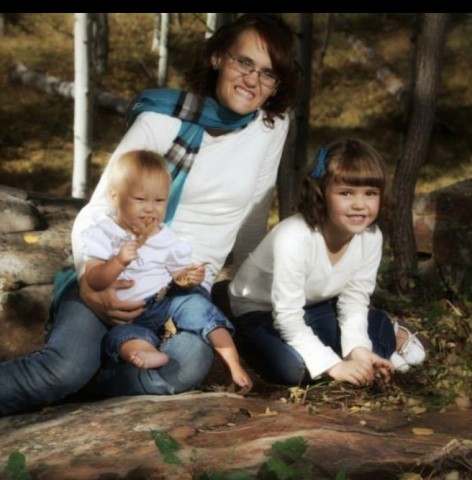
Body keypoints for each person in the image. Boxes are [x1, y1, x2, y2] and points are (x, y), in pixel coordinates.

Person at [0, 13, 298, 416]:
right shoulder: (161, 121)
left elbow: (253, 218)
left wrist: (249, 303)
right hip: (118, 271)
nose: (252, 80)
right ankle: (77, 374)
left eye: (268, 73)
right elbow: (99, 210)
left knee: (184, 366)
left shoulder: (271, 126)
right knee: (63, 368)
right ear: (217, 57)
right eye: (244, 62)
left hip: (183, 289)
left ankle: (92, 383)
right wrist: (90, 286)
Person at [228, 137, 426, 387]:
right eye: (346, 193)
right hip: (261, 309)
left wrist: (358, 352)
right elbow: (287, 316)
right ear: (321, 193)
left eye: (370, 193)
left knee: (355, 347)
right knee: (293, 369)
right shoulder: (294, 236)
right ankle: (380, 338)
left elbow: (354, 300)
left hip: (316, 305)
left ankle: (381, 331)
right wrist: (335, 366)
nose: (359, 205)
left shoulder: (370, 236)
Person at [82, 149, 252, 390]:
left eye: (159, 201)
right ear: (114, 197)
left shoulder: (165, 237)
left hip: (164, 303)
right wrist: (118, 262)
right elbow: (94, 280)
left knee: (200, 307)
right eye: (140, 200)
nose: (150, 209)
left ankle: (232, 363)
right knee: (121, 338)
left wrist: (190, 277)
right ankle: (148, 354)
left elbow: (177, 275)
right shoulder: (104, 233)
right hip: (128, 316)